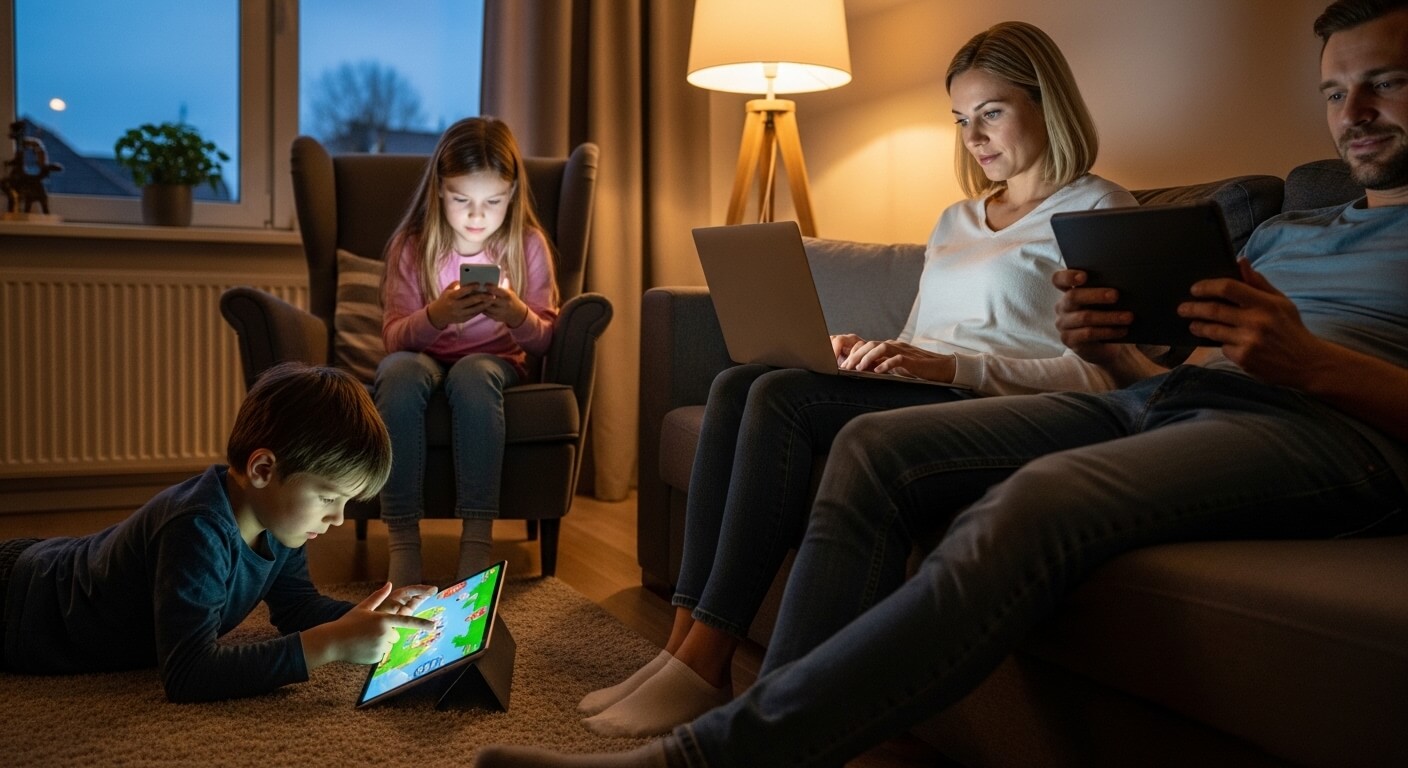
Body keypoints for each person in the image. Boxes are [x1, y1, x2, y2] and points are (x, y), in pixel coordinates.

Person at [474, 0, 1408, 764]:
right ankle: (706, 667)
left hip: (1309, 424)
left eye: (1385, 84)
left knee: (1029, 494)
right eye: (1334, 91)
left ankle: (726, 751)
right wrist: (1122, 354)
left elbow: (1128, 376)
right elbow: (1156, 372)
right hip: (1172, 400)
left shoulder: (1097, 205)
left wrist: (1303, 363)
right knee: (832, 419)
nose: (1351, 113)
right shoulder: (1290, 229)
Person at [577, 20, 1138, 739]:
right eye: (962, 120)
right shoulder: (957, 218)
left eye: (991, 113)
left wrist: (949, 365)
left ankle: (707, 663)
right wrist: (870, 351)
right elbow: (927, 335)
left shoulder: (1098, 209)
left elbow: (1103, 379)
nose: (974, 137)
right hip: (925, 387)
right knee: (741, 381)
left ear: (1048, 103)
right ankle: (680, 644)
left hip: (997, 406)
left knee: (779, 397)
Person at [0, 362, 438, 702]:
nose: (338, 519)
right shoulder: (198, 528)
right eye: (328, 498)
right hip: (22, 606)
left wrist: (363, 619)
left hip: (50, 565)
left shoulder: (279, 523)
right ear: (264, 470)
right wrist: (328, 645)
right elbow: (188, 673)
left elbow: (297, 606)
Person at [375, 116, 558, 588]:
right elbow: (394, 338)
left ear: (513, 194)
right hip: (423, 357)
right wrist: (437, 314)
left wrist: (516, 314)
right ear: (438, 190)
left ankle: (476, 544)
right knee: (397, 373)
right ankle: (403, 546)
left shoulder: (527, 245)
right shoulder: (412, 247)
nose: (477, 216)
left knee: (474, 375)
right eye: (462, 200)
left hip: (495, 362)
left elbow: (546, 341)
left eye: (492, 202)